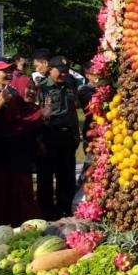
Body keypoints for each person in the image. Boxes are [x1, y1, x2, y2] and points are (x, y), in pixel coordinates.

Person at [0, 63, 45, 233]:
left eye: (9, 71)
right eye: (3, 71)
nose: (8, 73)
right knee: (0, 195)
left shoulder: (10, 96)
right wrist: (39, 116)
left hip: (14, 157)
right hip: (0, 157)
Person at [36, 55, 81, 220]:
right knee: (46, 177)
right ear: (50, 70)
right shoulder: (41, 88)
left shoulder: (71, 85)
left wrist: (76, 134)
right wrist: (39, 140)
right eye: (60, 71)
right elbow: (36, 115)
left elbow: (73, 111)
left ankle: (65, 209)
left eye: (66, 71)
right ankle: (47, 212)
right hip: (49, 136)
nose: (64, 74)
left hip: (67, 136)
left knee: (67, 176)